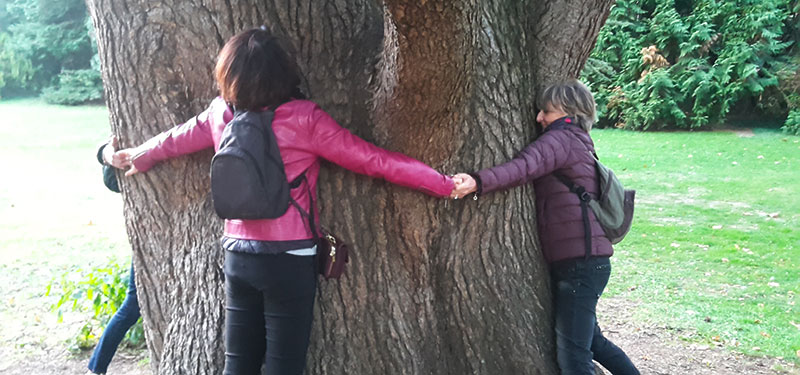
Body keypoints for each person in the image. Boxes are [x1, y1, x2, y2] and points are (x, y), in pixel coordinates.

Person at [112, 28, 455, 375]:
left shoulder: (221, 116)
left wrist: (139, 155)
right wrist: (442, 184)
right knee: (284, 366)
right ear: (284, 71)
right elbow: (374, 160)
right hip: (289, 259)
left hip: (237, 254)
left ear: (228, 74)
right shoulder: (304, 119)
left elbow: (177, 138)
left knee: (238, 365)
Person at [450, 80, 639, 375]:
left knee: (574, 360)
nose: (539, 118)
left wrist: (477, 182)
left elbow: (523, 167)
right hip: (587, 262)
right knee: (594, 342)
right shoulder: (576, 140)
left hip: (581, 264)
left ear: (567, 112)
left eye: (546, 111)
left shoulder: (561, 139)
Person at [86, 136, 142, 375]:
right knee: (133, 305)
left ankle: (96, 368)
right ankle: (96, 368)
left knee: (132, 305)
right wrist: (108, 154)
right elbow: (106, 148)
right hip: (148, 235)